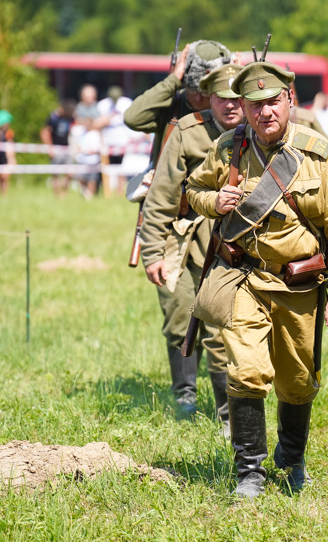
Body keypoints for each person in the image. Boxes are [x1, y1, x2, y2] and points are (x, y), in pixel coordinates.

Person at [185, 62, 328, 498]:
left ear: (289, 102)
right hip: (243, 278)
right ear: (242, 107)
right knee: (246, 372)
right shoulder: (229, 148)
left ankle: (292, 456)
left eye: (272, 102)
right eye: (254, 105)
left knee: (298, 382)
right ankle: (250, 473)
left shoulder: (316, 153)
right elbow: (191, 190)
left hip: (298, 285)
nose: (264, 112)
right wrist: (214, 201)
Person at [139, 64, 245, 430]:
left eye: (236, 98)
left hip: (237, 244)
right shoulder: (187, 131)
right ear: (207, 98)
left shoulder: (260, 133)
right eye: (221, 97)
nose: (230, 105)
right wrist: (152, 251)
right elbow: (161, 196)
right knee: (179, 313)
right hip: (185, 238)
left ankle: (228, 415)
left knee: (222, 328)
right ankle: (185, 394)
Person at [124, 40, 231, 168]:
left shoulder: (228, 113)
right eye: (192, 90)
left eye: (204, 93)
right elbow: (132, 118)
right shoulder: (172, 106)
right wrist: (172, 81)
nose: (198, 98)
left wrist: (232, 89)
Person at [97, 86, 134, 194]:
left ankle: (119, 191)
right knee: (106, 168)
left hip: (123, 141)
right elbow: (98, 123)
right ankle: (107, 191)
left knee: (121, 168)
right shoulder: (103, 105)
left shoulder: (126, 103)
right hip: (107, 141)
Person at [40, 99, 77, 196]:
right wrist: (49, 147)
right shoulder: (54, 118)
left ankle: (64, 192)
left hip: (67, 149)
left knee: (70, 173)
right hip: (56, 149)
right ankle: (57, 195)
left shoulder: (70, 118)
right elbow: (45, 132)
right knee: (55, 174)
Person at [0, 110, 16, 195]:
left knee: (4, 177)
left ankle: (4, 194)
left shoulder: (9, 133)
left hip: (5, 158)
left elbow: (11, 146)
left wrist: (12, 159)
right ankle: (0, 193)